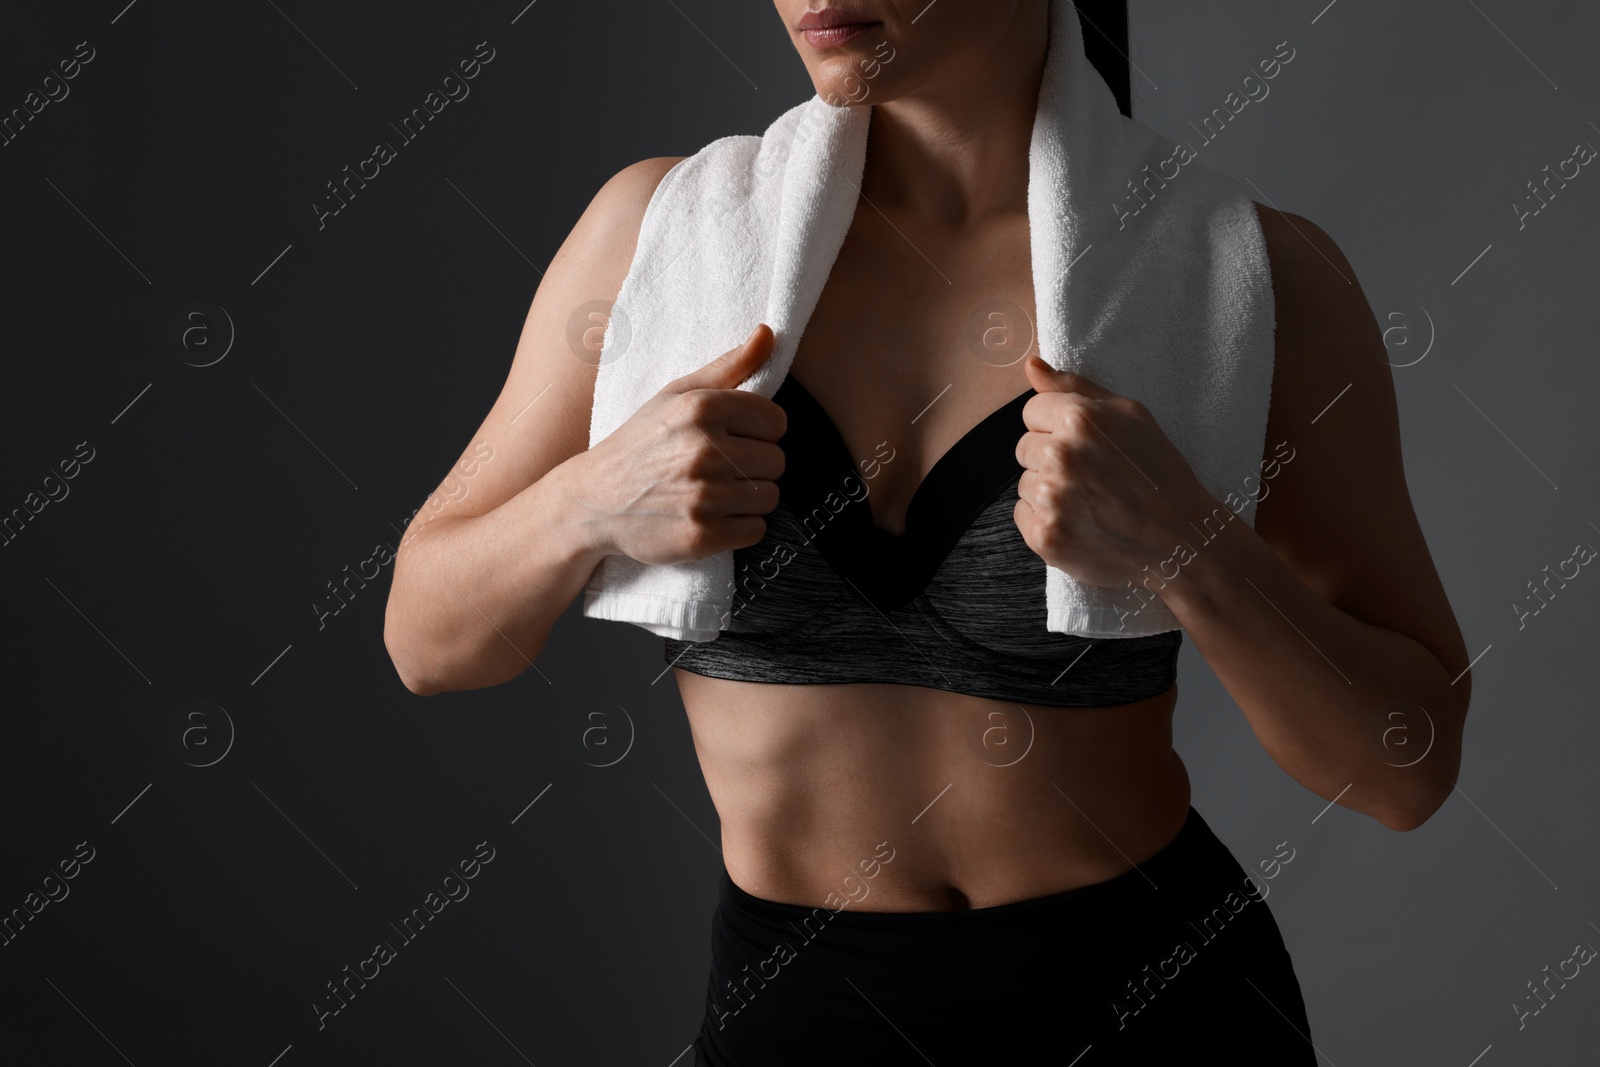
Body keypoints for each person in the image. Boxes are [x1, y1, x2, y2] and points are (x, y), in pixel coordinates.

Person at [383, 1, 1471, 1060]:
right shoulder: (656, 237)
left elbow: (1404, 768)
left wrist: (1189, 541)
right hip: (803, 1009)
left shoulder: (1248, 268)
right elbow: (424, 640)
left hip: (1160, 1000)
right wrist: (591, 499)